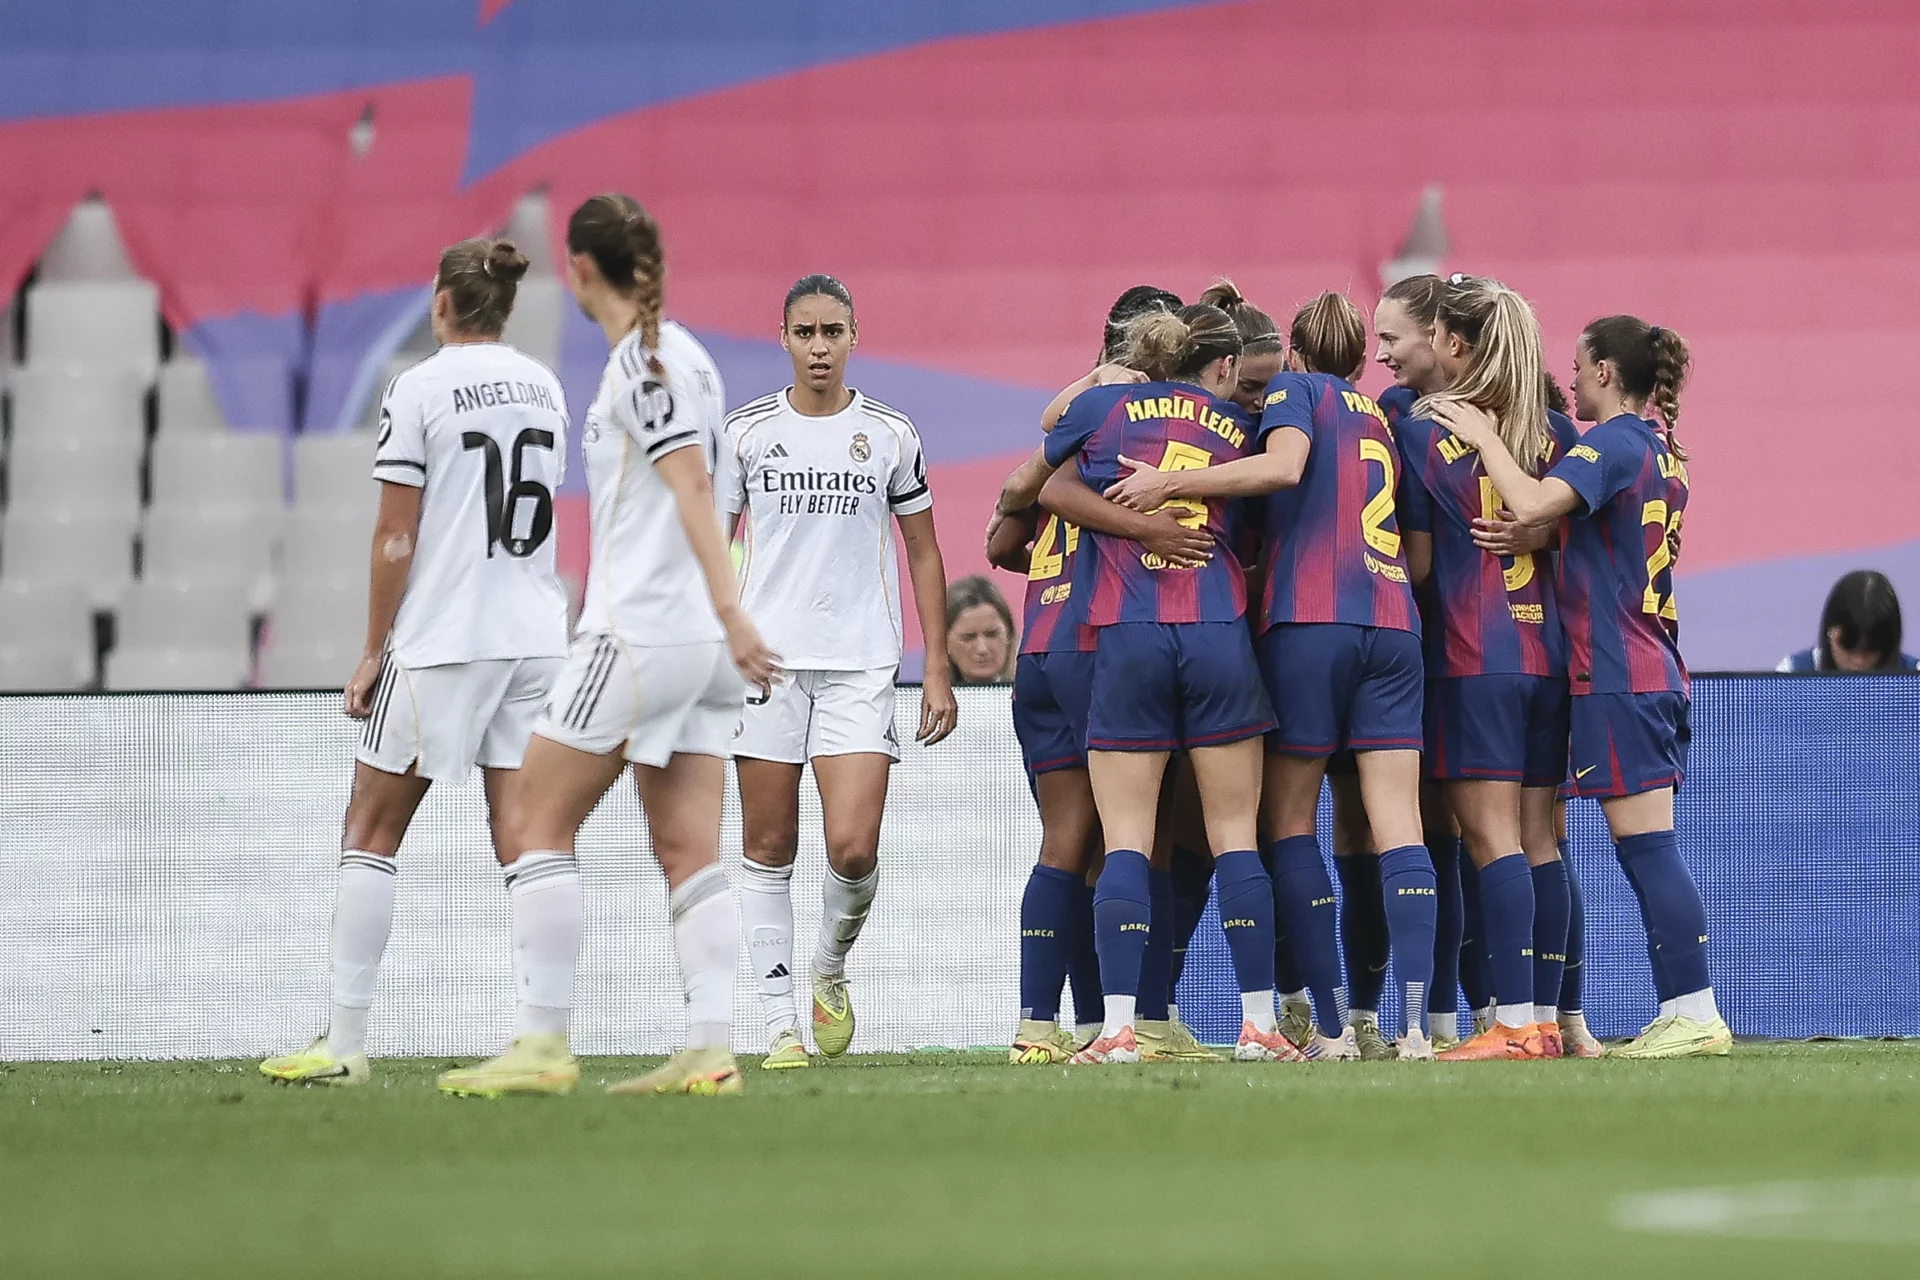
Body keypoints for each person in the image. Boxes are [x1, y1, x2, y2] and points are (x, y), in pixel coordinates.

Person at [431, 194, 776, 1098]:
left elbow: (694, 489)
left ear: (580, 270)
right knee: (688, 846)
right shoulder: (691, 359)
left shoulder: (644, 363)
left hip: (642, 635)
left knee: (535, 822)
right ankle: (711, 1050)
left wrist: (735, 609)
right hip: (698, 647)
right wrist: (726, 622)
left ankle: (542, 1045)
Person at [261, 238, 570, 1087]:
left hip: (446, 636)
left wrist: (372, 649)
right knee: (531, 838)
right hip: (537, 631)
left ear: (441, 303)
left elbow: (398, 533)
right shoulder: (543, 385)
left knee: (371, 827)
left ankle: (345, 1047)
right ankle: (543, 1044)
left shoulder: (420, 387)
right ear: (501, 308)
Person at [1107, 292, 1438, 1061]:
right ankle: (1415, 1031)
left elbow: (1286, 468)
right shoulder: (1386, 418)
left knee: (1287, 822)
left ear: (1294, 353)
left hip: (1308, 624)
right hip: (1395, 625)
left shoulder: (1297, 391)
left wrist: (1170, 485)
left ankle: (1326, 1030)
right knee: (1400, 824)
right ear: (1363, 352)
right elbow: (1418, 558)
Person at [1440, 315, 1733, 1058]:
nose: (1568, 381)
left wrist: (1485, 441)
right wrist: (1540, 537)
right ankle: (1685, 1010)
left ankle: (1693, 1011)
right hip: (1650, 664)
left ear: (1606, 372)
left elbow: (1536, 502)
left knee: (1648, 850)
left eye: (1577, 366)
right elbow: (1592, 531)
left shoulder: (1612, 440)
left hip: (1616, 673)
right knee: (1644, 848)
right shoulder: (1663, 450)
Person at [1042, 302, 1297, 1065]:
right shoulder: (1237, 427)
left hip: (1129, 633)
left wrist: (1099, 380)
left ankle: (1118, 1030)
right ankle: (1260, 1027)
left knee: (1125, 837)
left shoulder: (1103, 407)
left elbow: (1045, 469)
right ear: (1220, 366)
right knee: (1234, 838)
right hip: (1218, 631)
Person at [718, 274, 957, 1070]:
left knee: (852, 847)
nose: (819, 347)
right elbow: (717, 546)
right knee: (768, 844)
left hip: (860, 664)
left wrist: (937, 667)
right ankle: (779, 1024)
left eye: (833, 332)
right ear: (783, 339)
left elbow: (922, 548)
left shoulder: (890, 433)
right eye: (805, 332)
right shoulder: (746, 432)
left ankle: (829, 963)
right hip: (768, 666)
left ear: (855, 338)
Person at [987, 285, 1219, 1065]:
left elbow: (1001, 533)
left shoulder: (1075, 420)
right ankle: (1142, 1019)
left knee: (1068, 841)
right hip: (1099, 643)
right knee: (1138, 841)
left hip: (1040, 647)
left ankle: (1044, 1025)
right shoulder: (1146, 430)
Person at [1392, 276, 1577, 1062]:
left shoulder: (1425, 433)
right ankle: (1548, 1019)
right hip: (1549, 658)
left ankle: (1512, 1026)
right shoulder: (1557, 434)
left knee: (1489, 839)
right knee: (1541, 843)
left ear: (1455, 345)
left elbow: (1423, 564)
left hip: (1473, 655)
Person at [1778, 570, 1918, 672]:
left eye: (1871, 649)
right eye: (1848, 645)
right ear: (1830, 631)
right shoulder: (1791, 671)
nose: (1859, 662)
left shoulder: (1915, 677)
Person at [946, 575, 1017, 685]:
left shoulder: (1037, 698)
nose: (982, 649)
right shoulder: (922, 699)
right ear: (945, 644)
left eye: (992, 634)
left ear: (1009, 635)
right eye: (968, 637)